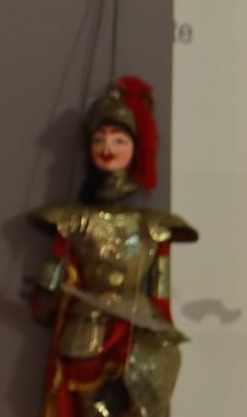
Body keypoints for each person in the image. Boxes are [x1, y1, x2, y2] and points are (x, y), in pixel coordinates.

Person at [28, 76, 198, 416]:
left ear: (136, 147)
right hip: (85, 322)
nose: (107, 148)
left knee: (146, 402)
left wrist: (164, 333)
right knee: (87, 403)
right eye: (100, 139)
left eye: (119, 139)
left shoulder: (155, 226)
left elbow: (160, 295)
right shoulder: (72, 219)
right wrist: (47, 292)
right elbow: (53, 285)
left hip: (138, 324)